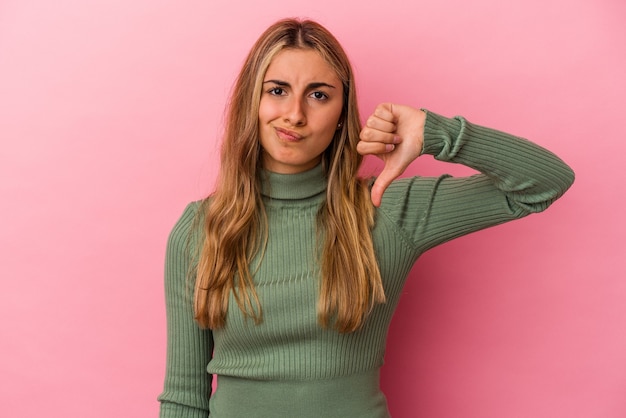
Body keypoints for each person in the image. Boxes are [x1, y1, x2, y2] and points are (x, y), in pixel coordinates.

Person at [157, 18, 574, 418]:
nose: (295, 114)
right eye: (278, 90)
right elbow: (184, 400)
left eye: (319, 94)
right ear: (252, 99)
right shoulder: (199, 230)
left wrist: (435, 131)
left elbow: (545, 182)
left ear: (342, 114)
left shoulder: (388, 209)